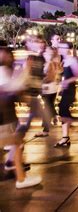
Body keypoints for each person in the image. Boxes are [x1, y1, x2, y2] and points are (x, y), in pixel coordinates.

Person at [0, 46, 42, 189]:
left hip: (7, 117)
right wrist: (27, 69)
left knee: (17, 143)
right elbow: (13, 87)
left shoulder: (5, 71)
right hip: (4, 118)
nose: (7, 58)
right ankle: (20, 178)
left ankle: (16, 172)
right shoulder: (2, 71)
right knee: (17, 143)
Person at [54, 42, 78, 147]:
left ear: (67, 49)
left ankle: (70, 125)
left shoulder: (72, 60)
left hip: (70, 90)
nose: (60, 49)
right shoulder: (63, 61)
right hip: (65, 90)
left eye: (63, 47)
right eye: (60, 47)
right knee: (62, 110)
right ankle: (65, 137)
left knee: (63, 110)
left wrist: (67, 82)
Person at [36, 46, 62, 137]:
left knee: (47, 108)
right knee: (49, 107)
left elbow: (50, 77)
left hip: (48, 89)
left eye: (47, 52)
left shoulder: (50, 63)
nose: (45, 54)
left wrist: (40, 81)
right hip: (52, 89)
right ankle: (55, 118)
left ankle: (46, 129)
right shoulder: (52, 63)